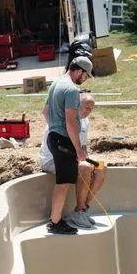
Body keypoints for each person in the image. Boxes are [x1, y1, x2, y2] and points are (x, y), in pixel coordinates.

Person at [39, 92, 107, 228]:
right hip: (54, 159)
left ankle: (83, 209)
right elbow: (59, 148)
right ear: (77, 104)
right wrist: (82, 161)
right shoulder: (64, 119)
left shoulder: (85, 122)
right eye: (86, 107)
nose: (88, 112)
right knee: (85, 167)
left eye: (91, 109)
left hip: (73, 157)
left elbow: (83, 146)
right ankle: (80, 211)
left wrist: (86, 158)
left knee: (102, 167)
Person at [42, 56, 93, 235]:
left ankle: (55, 221)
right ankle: (55, 222)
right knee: (63, 184)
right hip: (63, 140)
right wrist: (79, 150)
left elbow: (45, 112)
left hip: (54, 138)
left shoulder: (56, 84)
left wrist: (54, 128)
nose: (85, 79)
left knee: (63, 182)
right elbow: (71, 123)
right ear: (78, 70)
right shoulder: (71, 90)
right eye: (86, 75)